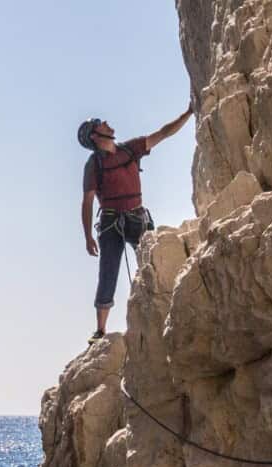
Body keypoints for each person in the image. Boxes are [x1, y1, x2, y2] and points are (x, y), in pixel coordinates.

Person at [78, 105, 194, 344]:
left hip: (136, 217)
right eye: (100, 123)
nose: (106, 122)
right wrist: (88, 236)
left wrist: (187, 114)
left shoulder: (129, 149)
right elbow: (87, 201)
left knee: (153, 262)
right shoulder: (94, 165)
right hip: (111, 222)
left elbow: (163, 134)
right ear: (94, 136)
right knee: (107, 272)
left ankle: (169, 306)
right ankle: (100, 331)